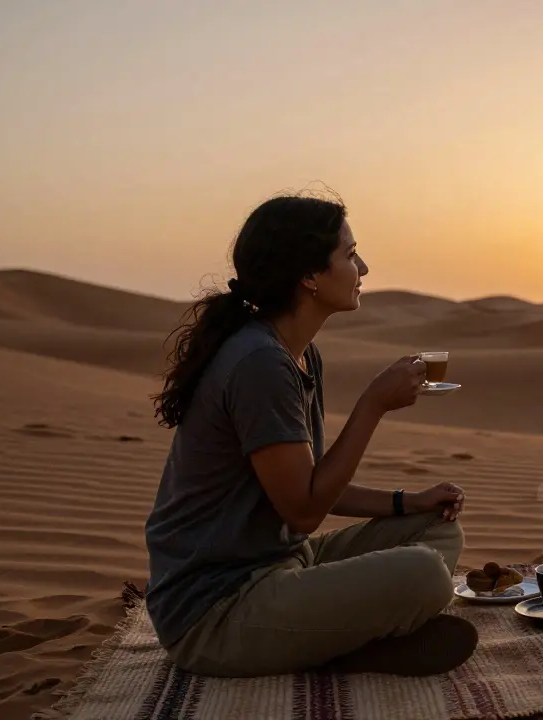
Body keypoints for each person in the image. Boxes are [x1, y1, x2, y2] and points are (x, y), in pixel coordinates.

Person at [144, 192, 476, 678]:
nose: (364, 266)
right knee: (424, 574)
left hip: (283, 564)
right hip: (216, 609)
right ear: (309, 276)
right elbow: (303, 509)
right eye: (349, 254)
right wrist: (373, 405)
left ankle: (337, 641)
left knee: (437, 529)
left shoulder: (297, 354)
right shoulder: (260, 364)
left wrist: (409, 502)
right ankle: (344, 645)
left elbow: (310, 484)